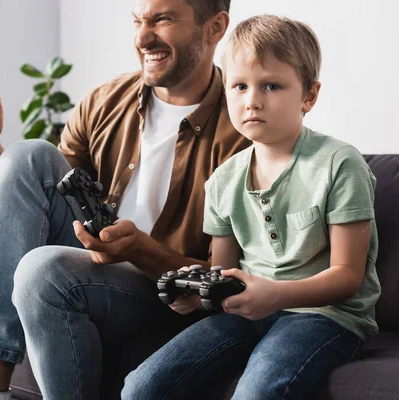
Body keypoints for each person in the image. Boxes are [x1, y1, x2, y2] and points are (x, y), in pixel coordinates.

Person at [0, 0, 250, 399]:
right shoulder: (108, 100)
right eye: (138, 21)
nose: (143, 37)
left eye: (161, 20)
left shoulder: (244, 128)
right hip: (95, 269)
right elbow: (38, 197)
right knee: (28, 155)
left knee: (42, 270)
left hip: (169, 296)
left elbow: (225, 280)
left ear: (215, 27)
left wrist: (143, 251)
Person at [119, 14, 382, 399]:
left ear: (309, 95)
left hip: (326, 317)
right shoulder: (223, 181)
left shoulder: (340, 164)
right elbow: (225, 272)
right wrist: (200, 294)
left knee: (255, 393)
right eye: (239, 86)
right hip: (248, 314)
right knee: (139, 389)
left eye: (271, 86)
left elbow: (347, 276)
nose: (252, 100)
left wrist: (275, 294)